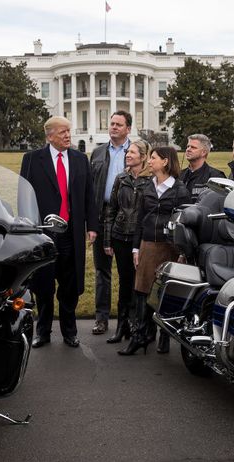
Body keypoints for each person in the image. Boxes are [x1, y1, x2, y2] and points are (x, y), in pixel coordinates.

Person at [20, 116, 98, 348]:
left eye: (68, 131)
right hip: (43, 234)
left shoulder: (79, 159)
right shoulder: (33, 159)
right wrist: (26, 228)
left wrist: (92, 226)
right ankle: (42, 331)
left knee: (70, 286)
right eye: (62, 132)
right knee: (43, 285)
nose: (67, 135)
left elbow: (88, 195)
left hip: (71, 234)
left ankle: (70, 331)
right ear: (49, 135)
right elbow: (24, 196)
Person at [119, 146, 190, 356]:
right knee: (142, 292)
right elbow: (140, 220)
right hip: (148, 245)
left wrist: (182, 253)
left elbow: (184, 223)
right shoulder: (147, 187)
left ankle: (164, 336)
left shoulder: (180, 190)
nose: (149, 161)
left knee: (165, 293)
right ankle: (140, 337)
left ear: (165, 161)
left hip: (170, 248)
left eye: (153, 158)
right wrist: (135, 247)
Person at [102, 140, 152, 343]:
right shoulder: (121, 178)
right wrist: (107, 240)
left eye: (132, 152)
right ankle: (122, 326)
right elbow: (111, 210)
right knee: (124, 282)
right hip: (120, 235)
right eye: (127, 152)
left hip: (140, 239)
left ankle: (138, 326)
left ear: (143, 156)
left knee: (140, 284)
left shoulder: (150, 180)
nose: (127, 154)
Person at [90, 111, 131, 335]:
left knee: (128, 272)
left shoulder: (137, 152)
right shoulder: (97, 153)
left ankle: (127, 319)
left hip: (128, 215)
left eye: (118, 124)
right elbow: (90, 188)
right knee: (102, 271)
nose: (113, 127)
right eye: (111, 123)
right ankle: (101, 318)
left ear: (128, 129)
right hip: (103, 214)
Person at [180, 134, 225, 201]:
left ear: (203, 152)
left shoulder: (216, 177)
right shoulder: (179, 175)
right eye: (188, 146)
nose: (188, 149)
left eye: (193, 147)